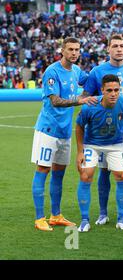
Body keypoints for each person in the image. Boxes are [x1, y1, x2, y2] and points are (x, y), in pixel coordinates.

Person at [31, 37, 97, 231]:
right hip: (48, 130)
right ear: (62, 50)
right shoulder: (52, 71)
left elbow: (92, 81)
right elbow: (55, 101)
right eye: (70, 49)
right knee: (43, 170)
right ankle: (39, 218)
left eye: (77, 49)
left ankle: (56, 215)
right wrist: (80, 101)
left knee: (59, 174)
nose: (74, 53)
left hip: (65, 131)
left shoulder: (76, 71)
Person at [82, 34, 123, 225]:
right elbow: (87, 96)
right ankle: (103, 213)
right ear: (108, 49)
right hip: (104, 133)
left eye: (122, 46)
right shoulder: (97, 71)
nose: (119, 49)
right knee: (105, 171)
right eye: (115, 46)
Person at [75, 74, 123, 232]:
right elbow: (79, 127)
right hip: (92, 145)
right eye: (109, 90)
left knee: (122, 176)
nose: (113, 93)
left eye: (116, 90)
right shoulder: (90, 105)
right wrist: (80, 152)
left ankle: (122, 218)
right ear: (102, 90)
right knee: (86, 175)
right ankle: (85, 220)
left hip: (115, 144)